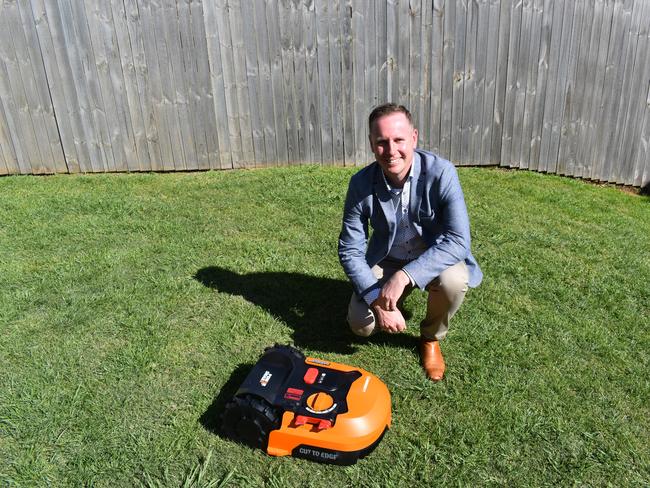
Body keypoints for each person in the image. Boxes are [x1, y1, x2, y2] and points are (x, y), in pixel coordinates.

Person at [338, 103, 482, 381]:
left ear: (414, 138)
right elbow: (350, 248)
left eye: (398, 140)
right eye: (381, 142)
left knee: (454, 280)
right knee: (361, 326)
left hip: (433, 257)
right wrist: (375, 301)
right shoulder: (360, 183)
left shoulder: (442, 173)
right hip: (387, 258)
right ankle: (391, 302)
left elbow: (458, 240)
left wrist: (406, 276)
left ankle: (430, 338)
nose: (391, 151)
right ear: (371, 144)